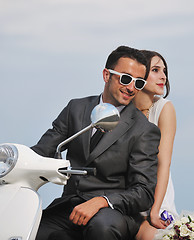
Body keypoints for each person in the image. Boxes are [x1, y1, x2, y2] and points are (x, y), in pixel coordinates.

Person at [31, 46, 161, 240]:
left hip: (113, 212)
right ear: (106, 75)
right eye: (126, 78)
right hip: (69, 206)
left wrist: (102, 201)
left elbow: (143, 192)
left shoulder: (143, 129)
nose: (131, 87)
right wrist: (0, 168)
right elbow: (42, 151)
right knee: (29, 229)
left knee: (102, 227)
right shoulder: (76, 108)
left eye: (139, 83)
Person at [133, 50, 178, 240]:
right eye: (156, 70)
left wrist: (155, 210)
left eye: (164, 71)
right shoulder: (123, 109)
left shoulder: (164, 108)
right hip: (127, 195)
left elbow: (164, 162)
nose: (163, 76)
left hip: (156, 195)